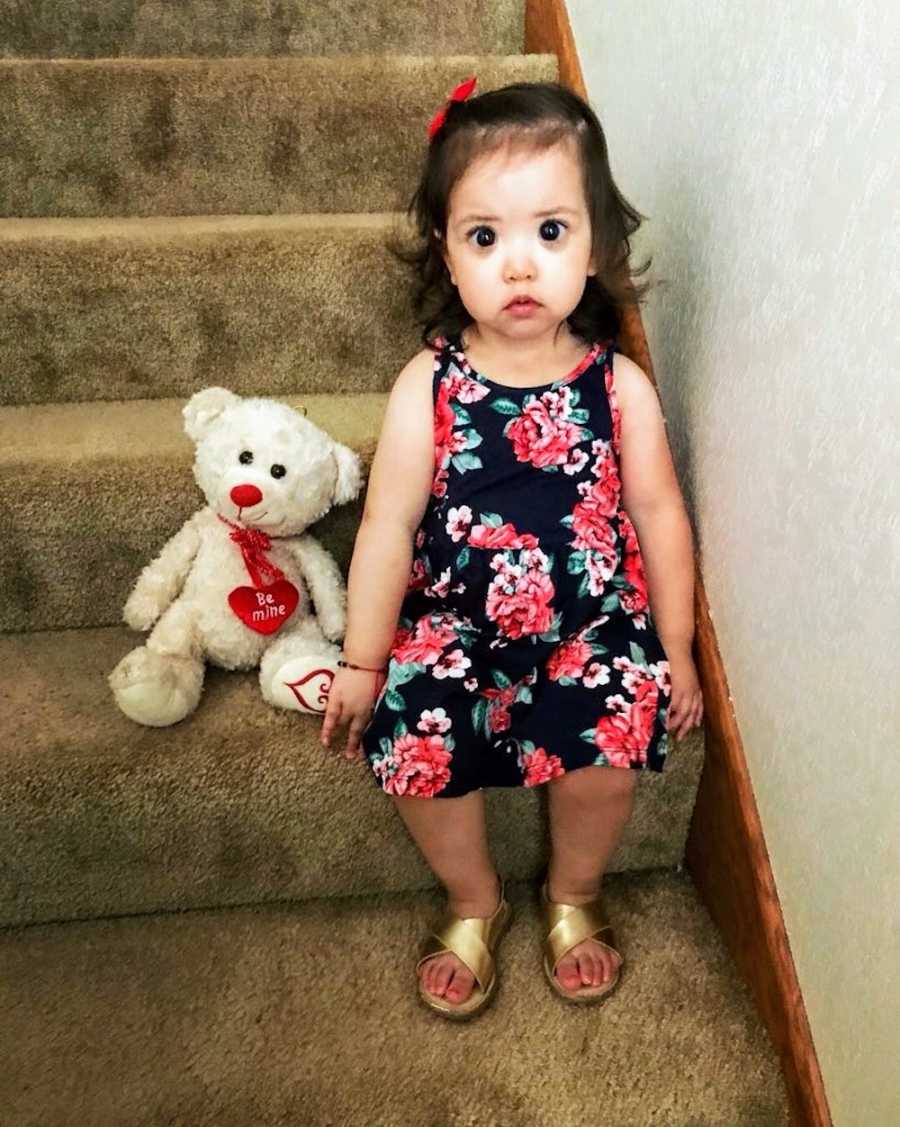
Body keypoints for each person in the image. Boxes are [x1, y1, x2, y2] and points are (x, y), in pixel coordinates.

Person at [321, 78, 703, 1020]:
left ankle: (573, 889)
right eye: (485, 237)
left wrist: (678, 647)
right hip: (456, 624)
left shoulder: (618, 387)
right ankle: (473, 896)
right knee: (412, 724)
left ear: (597, 247)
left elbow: (658, 515)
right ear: (448, 257)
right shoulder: (431, 382)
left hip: (590, 622)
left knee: (615, 725)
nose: (519, 267)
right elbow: (387, 525)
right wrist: (366, 660)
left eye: (550, 231)